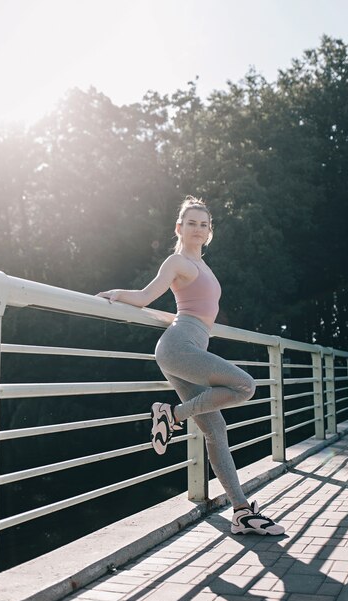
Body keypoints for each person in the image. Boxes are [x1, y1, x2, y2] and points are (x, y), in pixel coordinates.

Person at [97, 196, 284, 536]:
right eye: (191, 223)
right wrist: (112, 294)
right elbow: (144, 296)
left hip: (190, 347)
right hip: (178, 346)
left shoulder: (205, 266)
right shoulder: (177, 261)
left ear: (209, 231)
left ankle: (241, 511)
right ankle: (173, 415)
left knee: (216, 430)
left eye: (204, 224)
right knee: (245, 385)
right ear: (178, 228)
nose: (198, 228)